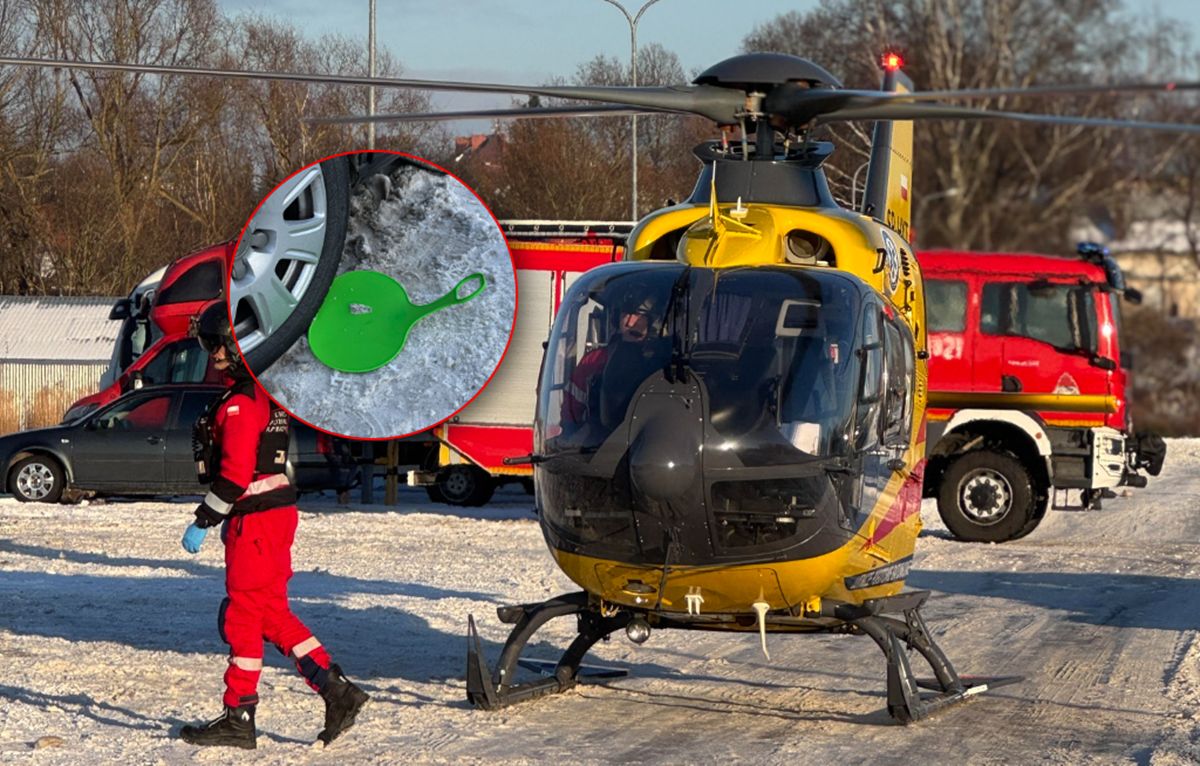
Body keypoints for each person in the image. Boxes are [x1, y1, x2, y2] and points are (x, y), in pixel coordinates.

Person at [178, 302, 369, 750]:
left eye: (217, 345)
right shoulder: (262, 392)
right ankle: (336, 689)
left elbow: (235, 473)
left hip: (256, 522)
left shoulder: (243, 403)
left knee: (243, 615)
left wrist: (204, 519)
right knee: (270, 614)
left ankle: (239, 714)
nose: (213, 355)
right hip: (271, 518)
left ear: (238, 346)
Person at [562, 291, 666, 433]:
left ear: (653, 321)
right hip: (600, 445)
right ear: (616, 318)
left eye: (638, 315)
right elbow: (570, 414)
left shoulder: (664, 364)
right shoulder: (593, 361)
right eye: (625, 314)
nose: (629, 322)